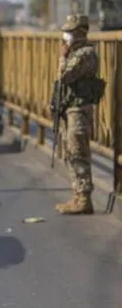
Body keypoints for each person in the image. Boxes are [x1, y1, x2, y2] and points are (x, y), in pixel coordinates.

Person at [54, 14, 103, 215]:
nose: (67, 35)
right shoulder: (76, 52)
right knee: (70, 152)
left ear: (81, 31)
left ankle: (84, 199)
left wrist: (63, 56)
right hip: (71, 108)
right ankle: (77, 196)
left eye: (70, 31)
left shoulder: (85, 53)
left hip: (79, 109)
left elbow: (65, 76)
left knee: (78, 152)